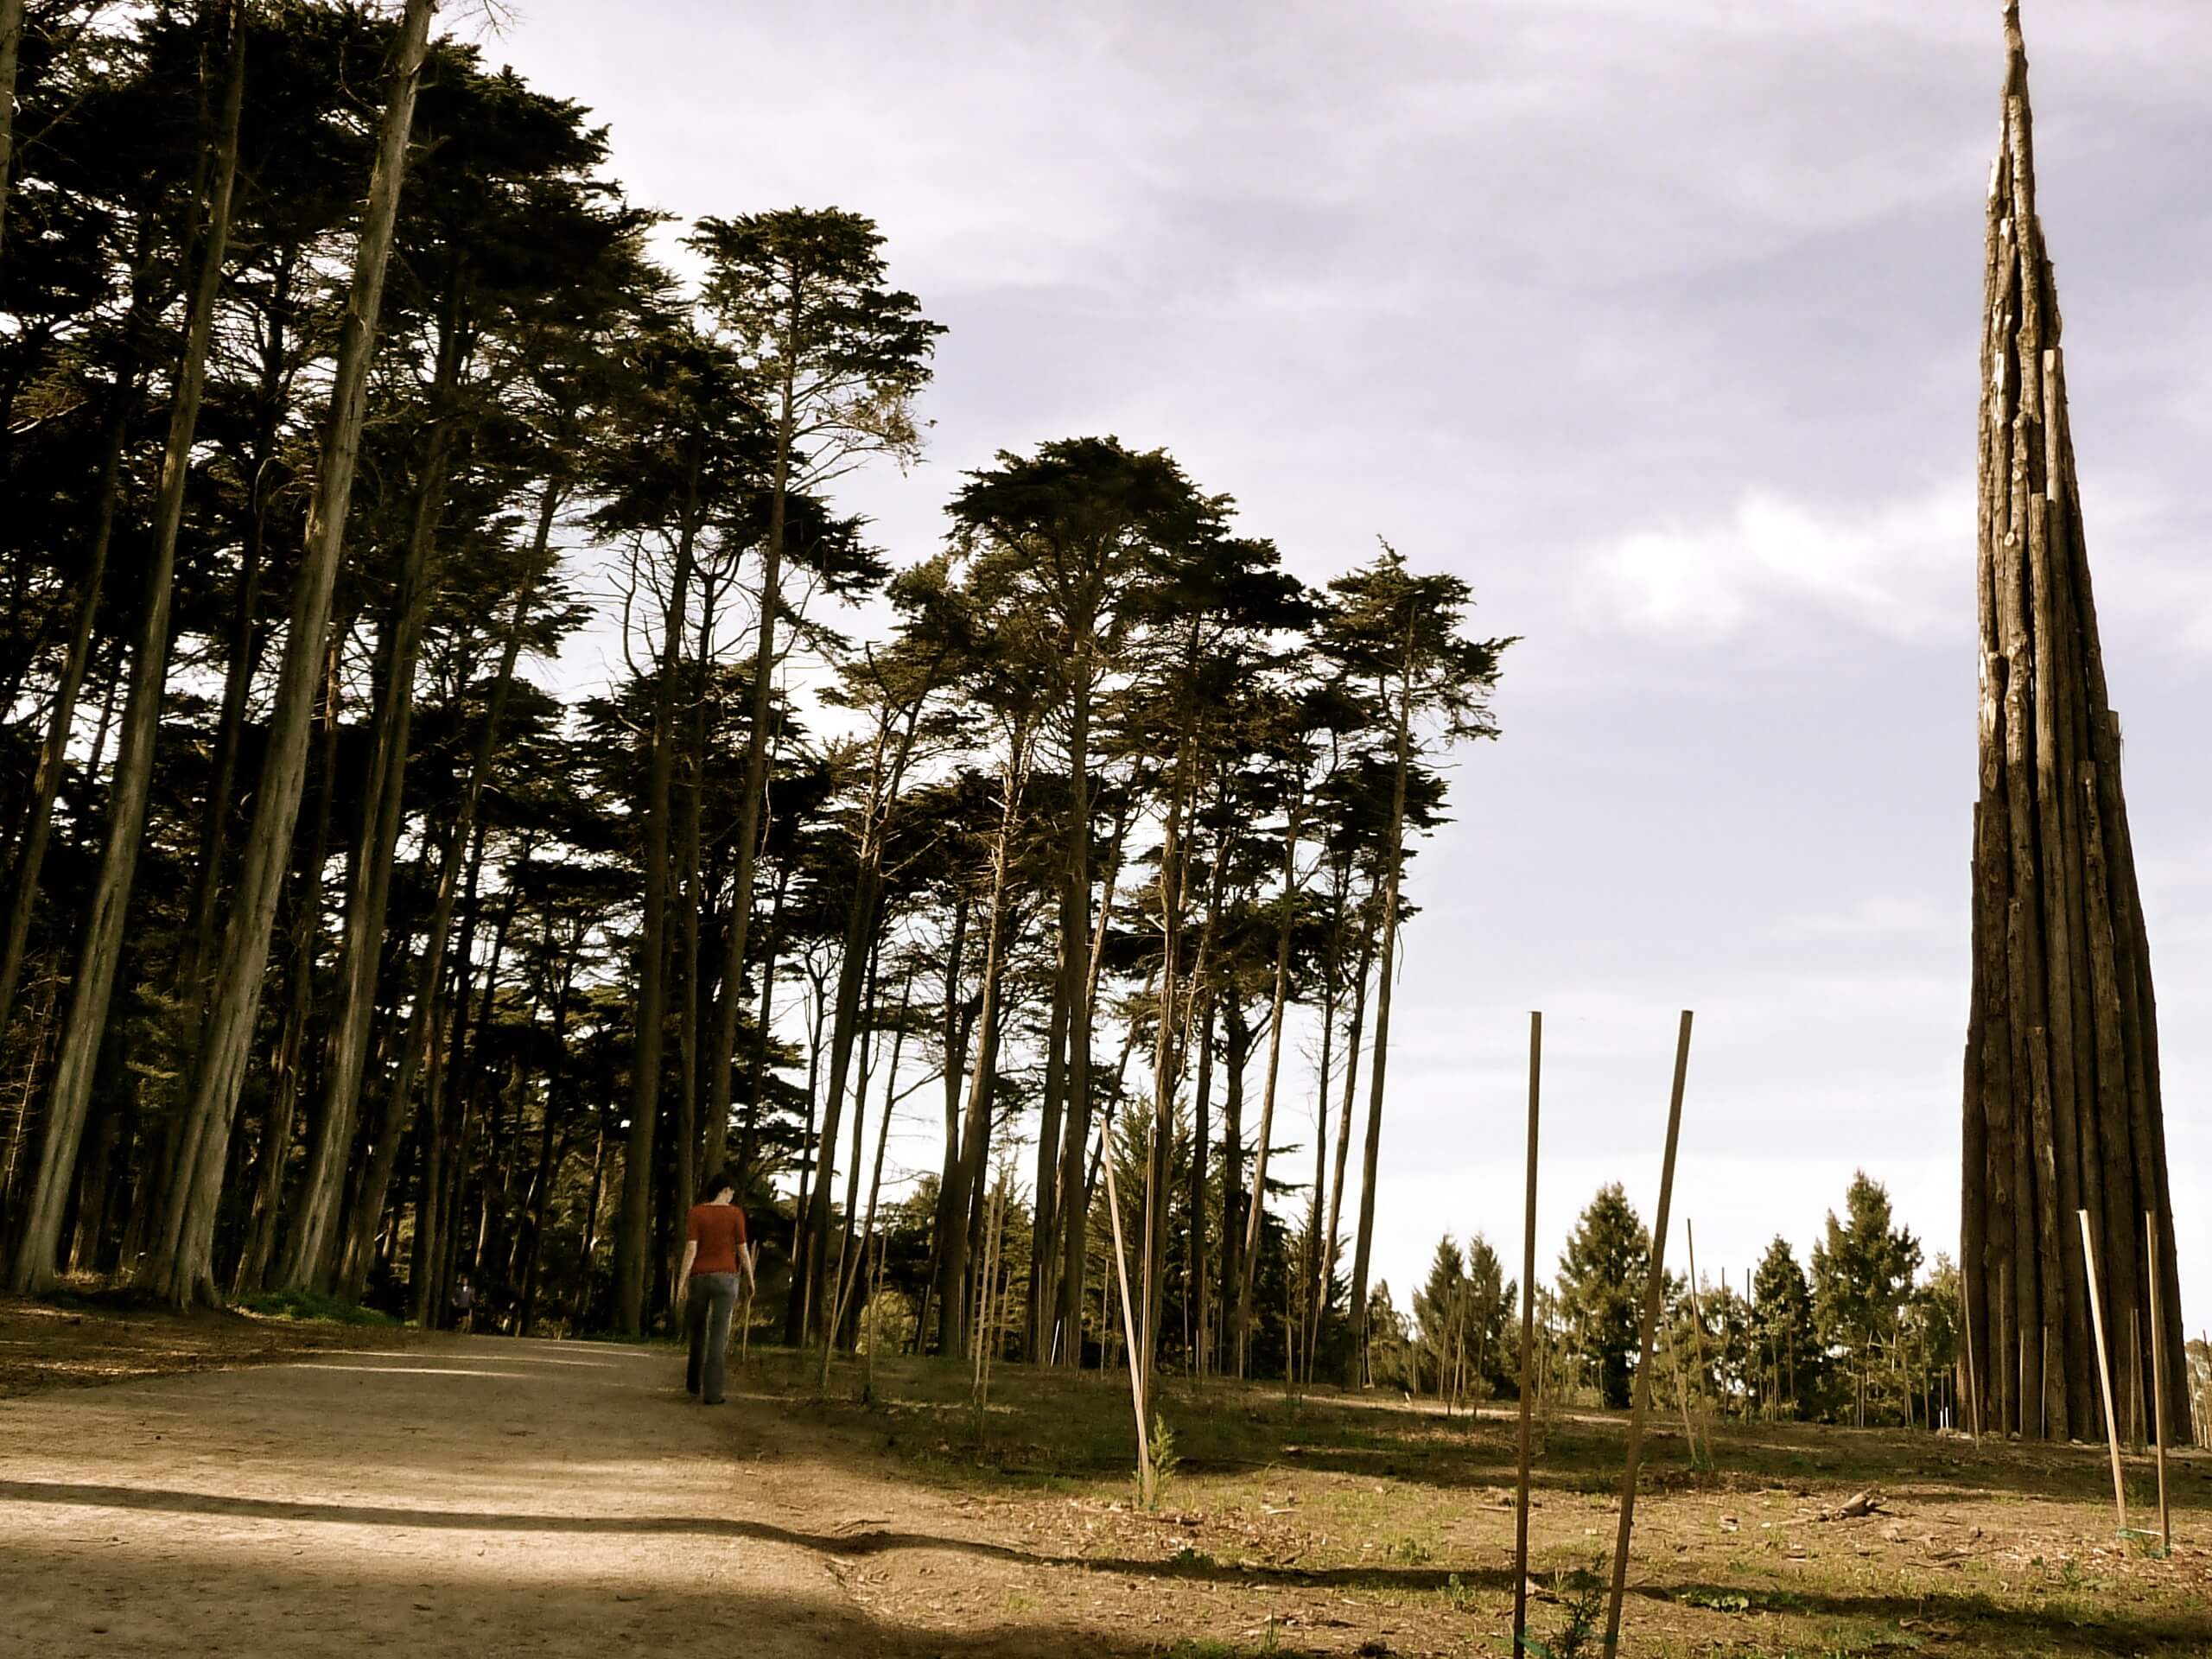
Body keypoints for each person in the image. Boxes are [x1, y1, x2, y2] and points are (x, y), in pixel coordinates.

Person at [677, 1170, 753, 1405]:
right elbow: (742, 1250)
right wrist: (750, 1278)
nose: (732, 1196)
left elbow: (691, 1250)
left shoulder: (697, 1213)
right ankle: (713, 1393)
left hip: (700, 1278)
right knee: (719, 1337)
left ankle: (693, 1384)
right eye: (731, 1192)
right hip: (726, 1278)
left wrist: (682, 1282)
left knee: (698, 1332)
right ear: (726, 1190)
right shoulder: (735, 1215)